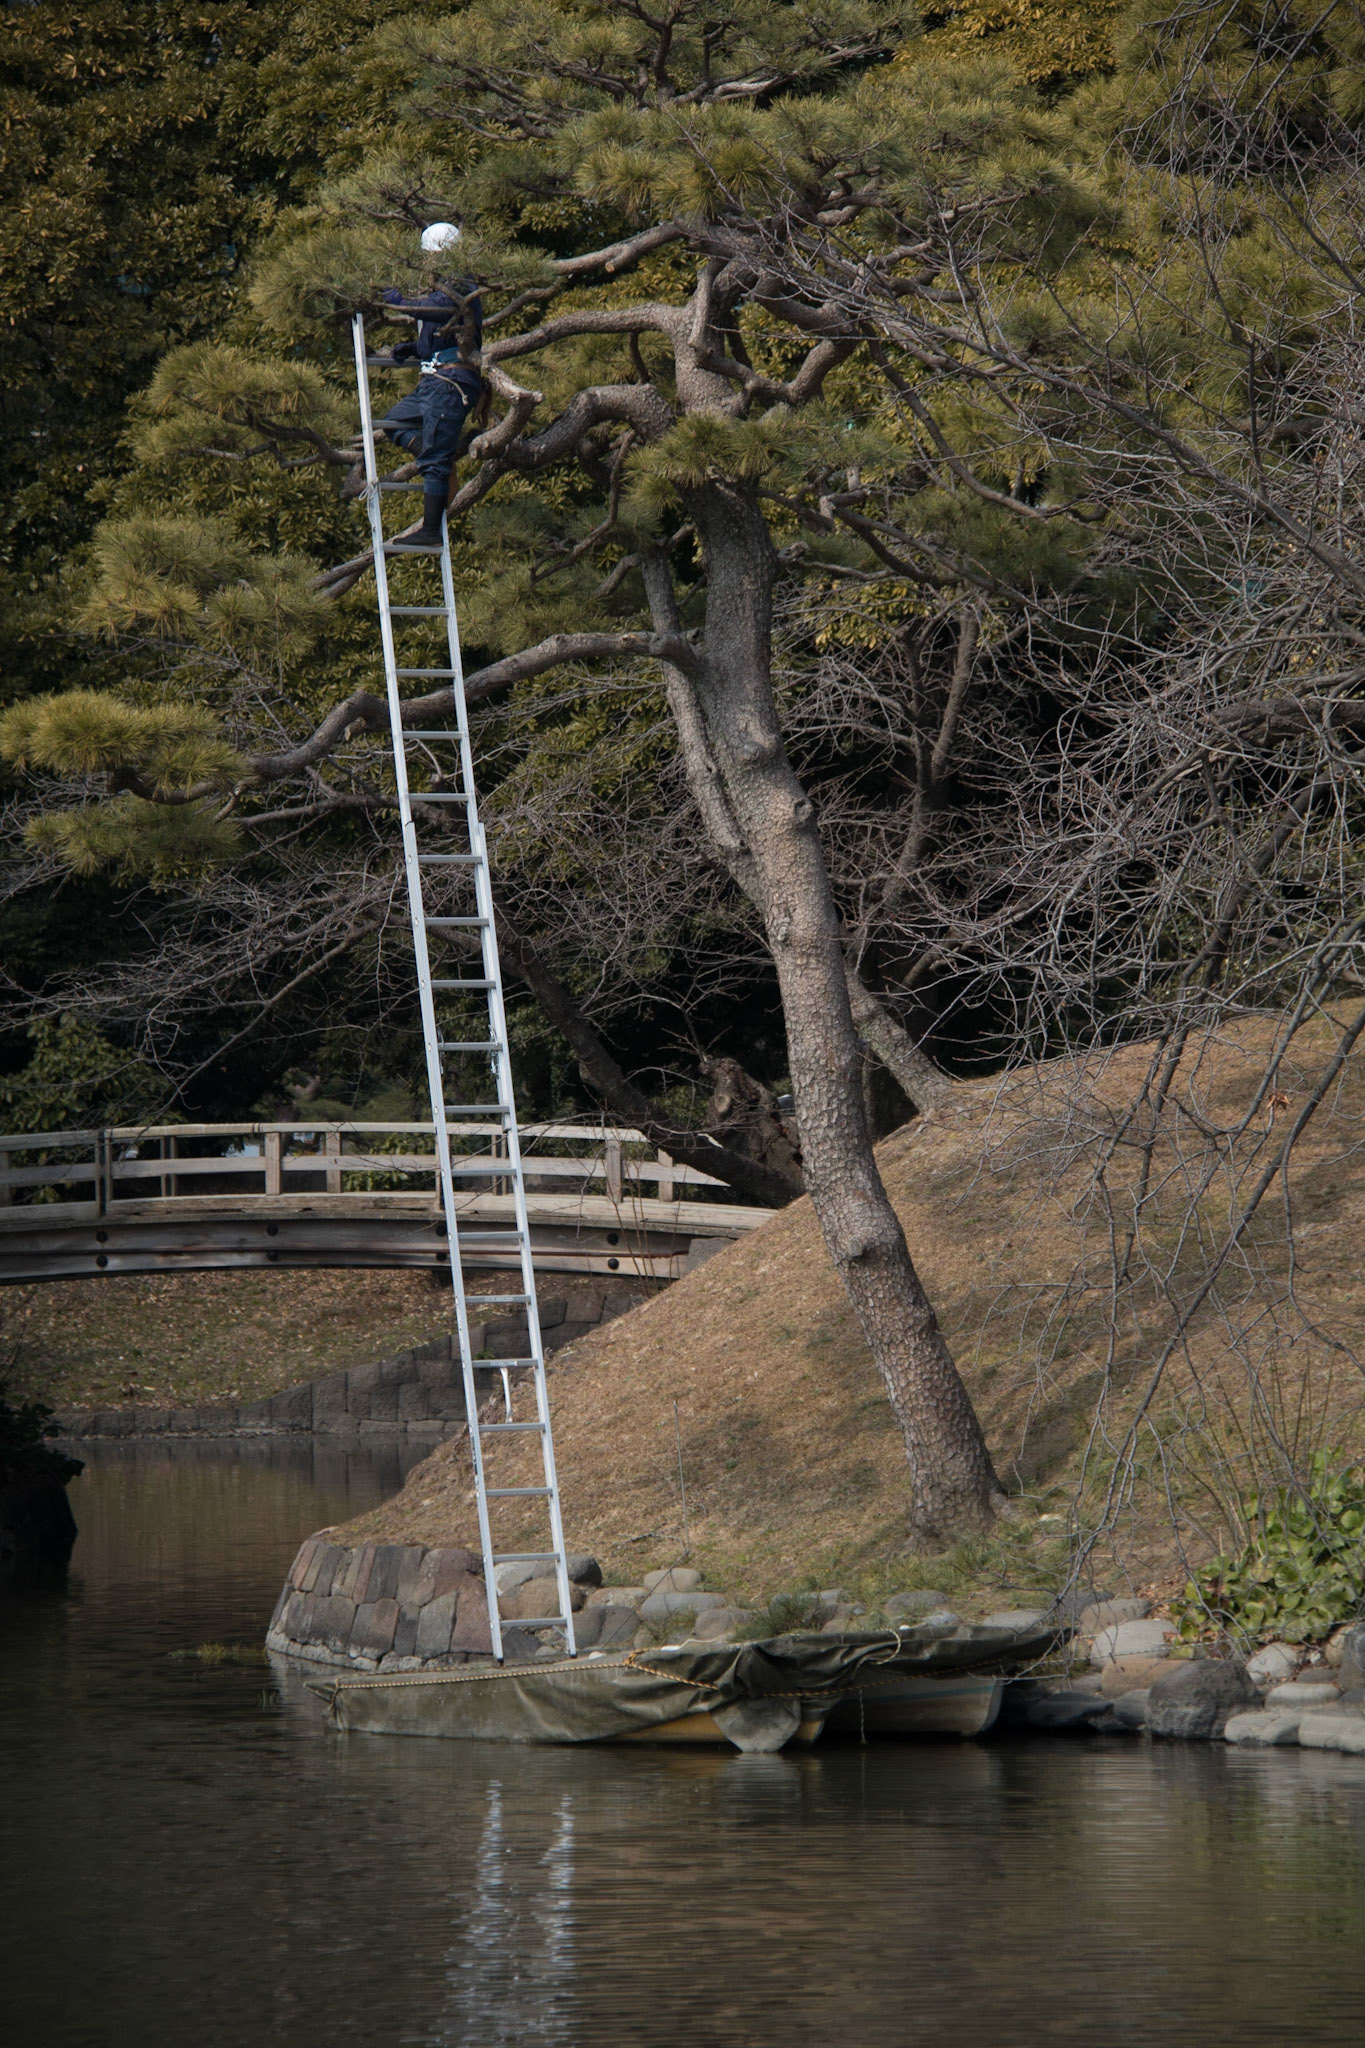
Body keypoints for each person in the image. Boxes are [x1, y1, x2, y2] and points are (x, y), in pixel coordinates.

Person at [377, 223, 484, 550]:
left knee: (436, 460)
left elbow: (435, 309)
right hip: (434, 378)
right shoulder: (440, 288)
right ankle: (432, 452)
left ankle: (430, 531)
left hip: (450, 381)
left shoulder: (460, 285)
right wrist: (414, 347)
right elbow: (435, 330)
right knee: (395, 421)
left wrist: (396, 299)